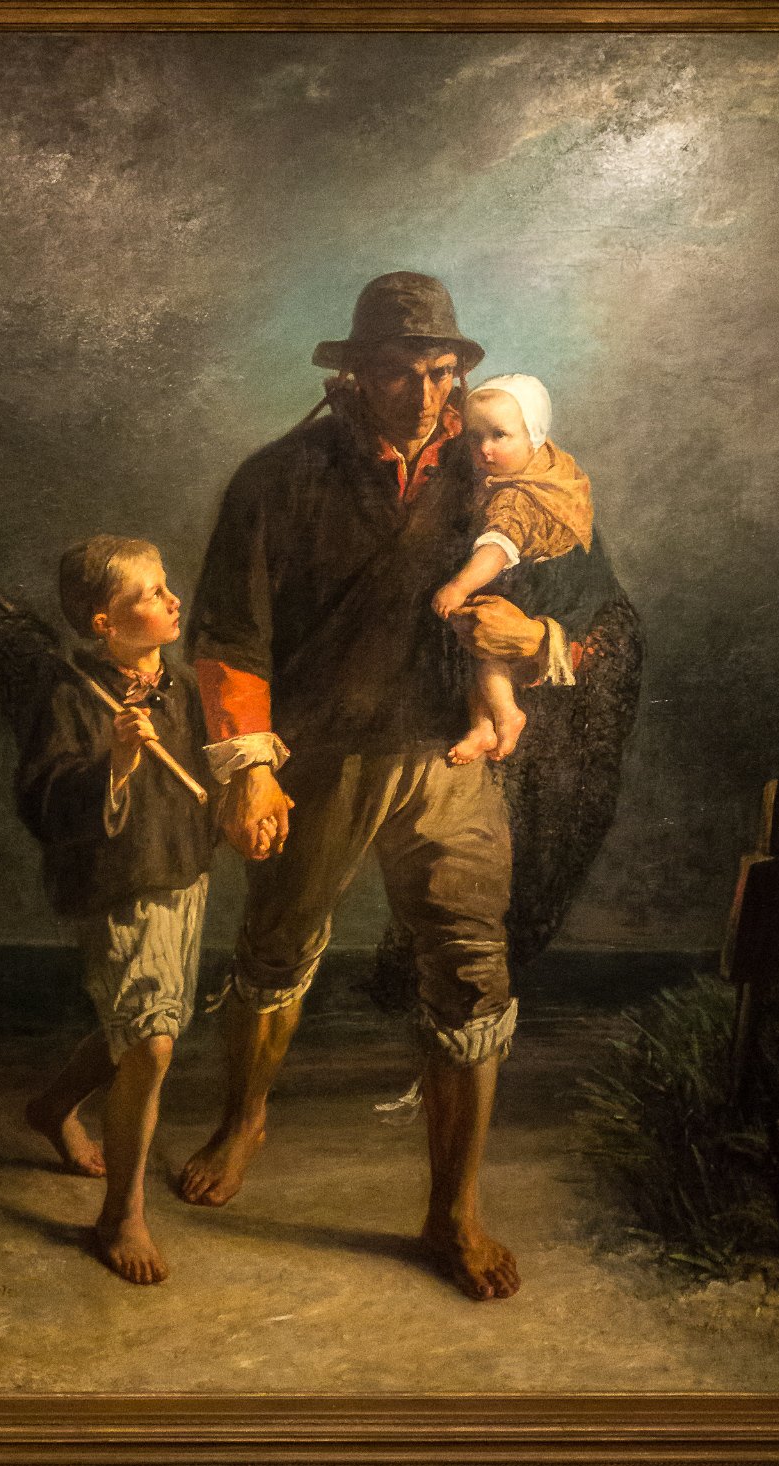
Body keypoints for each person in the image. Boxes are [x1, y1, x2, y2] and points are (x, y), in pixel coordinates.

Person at [181, 272, 631, 1301]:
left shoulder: (504, 470)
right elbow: (229, 637)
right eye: (399, 373)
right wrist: (249, 770)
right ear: (353, 375)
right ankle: (244, 1118)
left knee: (472, 974)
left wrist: (541, 638)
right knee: (275, 950)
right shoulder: (277, 478)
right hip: (315, 761)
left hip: (448, 759)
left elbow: (596, 605)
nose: (426, 396)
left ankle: (452, 1212)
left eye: (439, 373)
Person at [18, 536, 214, 1285]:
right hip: (116, 886)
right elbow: (42, 799)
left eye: (166, 586)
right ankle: (121, 1215)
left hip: (182, 874)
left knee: (132, 1031)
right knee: (152, 1044)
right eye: (150, 593)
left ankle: (51, 1107)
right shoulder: (71, 696)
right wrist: (118, 762)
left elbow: (212, 771)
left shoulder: (183, 687)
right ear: (103, 622)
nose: (172, 599)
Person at [432, 374, 592, 765]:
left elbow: (497, 548)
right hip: (535, 582)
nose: (484, 449)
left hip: (530, 588)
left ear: (532, 435)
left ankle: (505, 715)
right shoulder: (552, 469)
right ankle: (483, 726)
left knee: (482, 643)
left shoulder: (516, 497)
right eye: (475, 437)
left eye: (499, 435)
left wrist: (458, 586)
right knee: (477, 646)